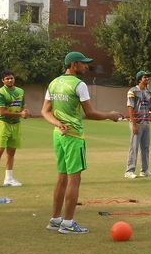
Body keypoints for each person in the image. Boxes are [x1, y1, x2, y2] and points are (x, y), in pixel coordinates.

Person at [41, 52, 120, 234]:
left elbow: (45, 111)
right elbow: (90, 113)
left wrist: (58, 124)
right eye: (83, 64)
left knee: (62, 178)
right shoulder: (79, 84)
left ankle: (55, 220)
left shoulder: (54, 83)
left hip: (58, 136)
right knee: (74, 180)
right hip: (74, 136)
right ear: (73, 64)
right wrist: (111, 115)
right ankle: (68, 223)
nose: (86, 67)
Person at [0, 69, 28, 189]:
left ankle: (8, 178)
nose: (10, 80)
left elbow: (23, 107)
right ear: (3, 80)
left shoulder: (20, 91)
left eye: (12, 78)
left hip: (16, 125)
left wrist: (25, 112)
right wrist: (20, 115)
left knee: (11, 152)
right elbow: (2, 112)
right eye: (7, 78)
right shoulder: (0, 93)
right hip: (3, 124)